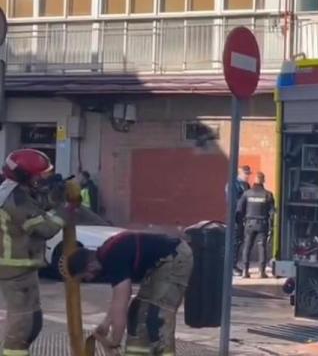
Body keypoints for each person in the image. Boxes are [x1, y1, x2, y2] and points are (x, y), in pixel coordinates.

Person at [65, 231, 193, 355]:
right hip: (157, 266)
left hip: (174, 257)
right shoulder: (106, 256)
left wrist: (115, 341)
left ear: (90, 266)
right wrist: (106, 324)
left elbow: (121, 303)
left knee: (157, 315)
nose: (88, 280)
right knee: (136, 313)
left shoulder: (113, 258)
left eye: (84, 277)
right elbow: (118, 299)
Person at [0, 149, 71, 356]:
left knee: (34, 321)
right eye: (39, 175)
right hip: (15, 270)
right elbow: (45, 229)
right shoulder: (16, 201)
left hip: (23, 267)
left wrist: (54, 195)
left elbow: (39, 208)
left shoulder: (16, 192)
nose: (42, 178)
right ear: (24, 175)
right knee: (22, 326)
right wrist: (67, 208)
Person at [237, 172, 275, 278]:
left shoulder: (247, 193)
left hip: (249, 224)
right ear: (263, 180)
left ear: (254, 180)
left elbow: (239, 210)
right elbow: (272, 213)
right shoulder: (268, 194)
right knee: (262, 247)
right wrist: (271, 226)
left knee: (247, 246)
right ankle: (261, 272)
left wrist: (241, 222)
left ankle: (245, 271)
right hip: (262, 224)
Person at [225, 165, 250, 275]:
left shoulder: (246, 185)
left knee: (239, 241)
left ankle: (234, 264)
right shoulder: (233, 184)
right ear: (240, 173)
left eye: (248, 174)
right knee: (234, 241)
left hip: (243, 217)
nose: (247, 176)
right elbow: (232, 201)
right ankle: (231, 266)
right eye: (245, 174)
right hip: (235, 216)